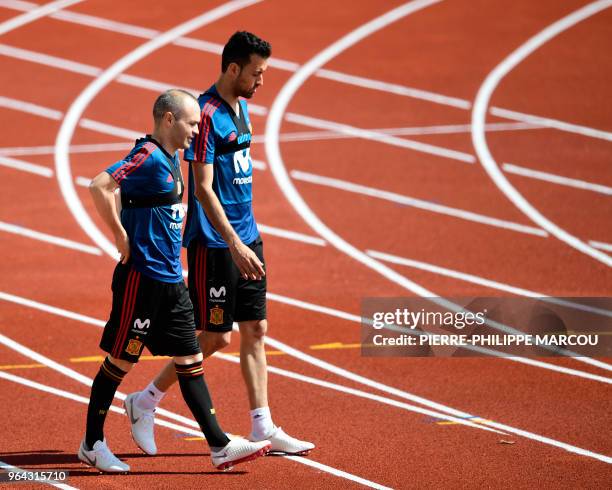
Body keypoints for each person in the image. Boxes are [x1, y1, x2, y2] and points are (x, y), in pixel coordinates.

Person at [126, 31, 314, 456]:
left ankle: (262, 425)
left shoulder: (242, 108)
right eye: (256, 73)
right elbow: (204, 189)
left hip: (248, 236)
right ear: (233, 69)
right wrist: (233, 243)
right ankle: (144, 401)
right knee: (213, 337)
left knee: (256, 328)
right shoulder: (206, 113)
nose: (261, 81)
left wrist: (246, 237)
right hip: (216, 243)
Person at [78, 89, 270, 473]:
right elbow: (100, 185)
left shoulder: (171, 158)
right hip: (142, 280)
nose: (197, 131)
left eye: (199, 123)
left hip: (172, 281)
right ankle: (92, 443)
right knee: (120, 360)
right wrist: (119, 234)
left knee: (191, 359)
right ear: (168, 120)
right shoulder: (147, 156)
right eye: (191, 123)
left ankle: (218, 446)